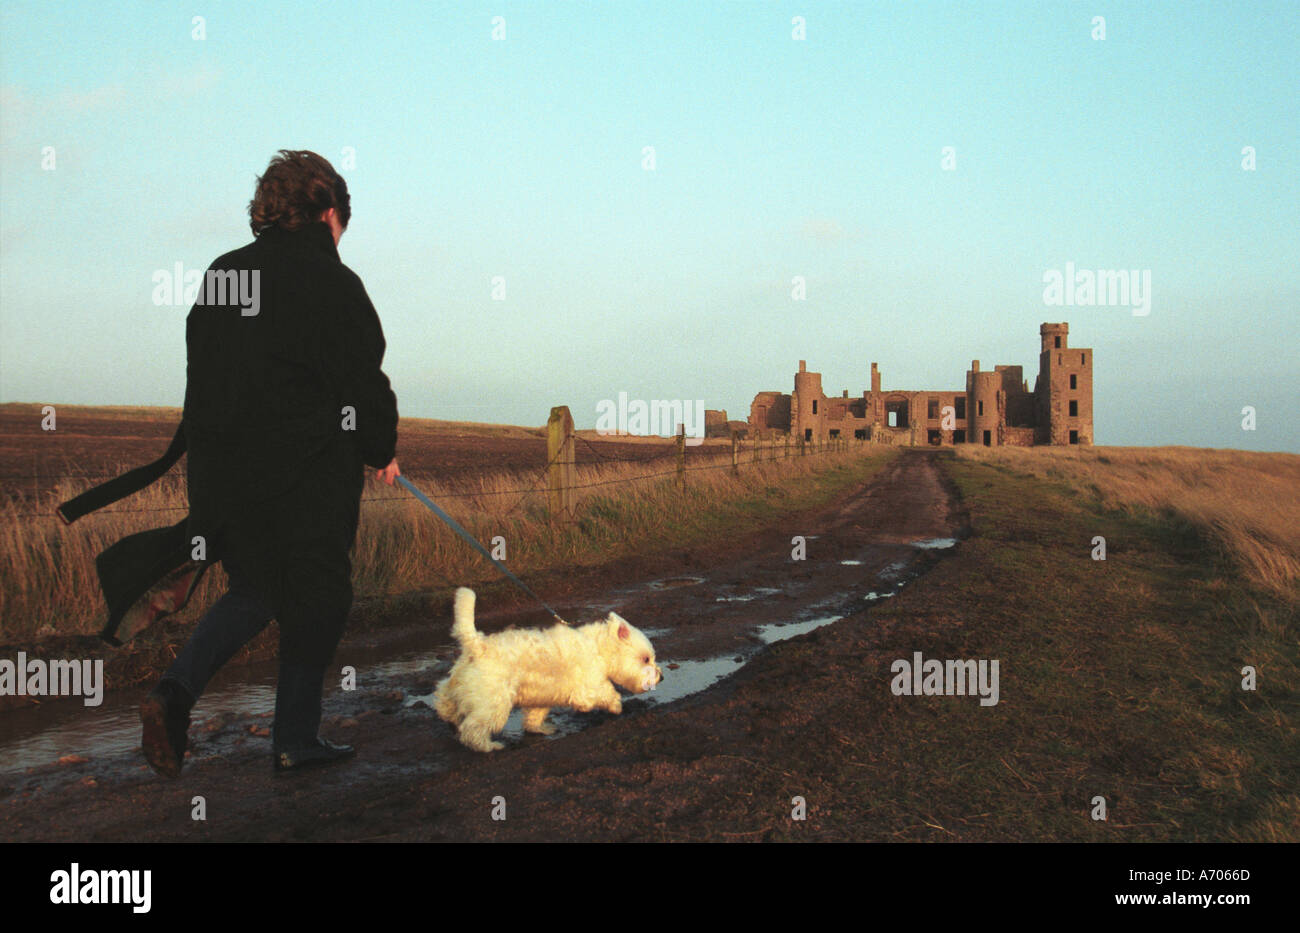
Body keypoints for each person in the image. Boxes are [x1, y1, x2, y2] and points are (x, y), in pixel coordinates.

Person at [138, 150, 400, 776]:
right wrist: (380, 447)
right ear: (330, 212)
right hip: (305, 477)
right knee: (320, 595)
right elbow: (362, 382)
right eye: (343, 224)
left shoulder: (222, 274)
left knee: (257, 587)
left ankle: (173, 693)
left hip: (222, 476)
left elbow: (204, 380)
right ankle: (295, 739)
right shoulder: (334, 283)